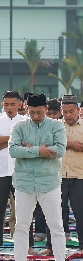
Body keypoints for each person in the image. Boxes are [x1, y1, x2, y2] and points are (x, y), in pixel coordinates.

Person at [9, 94, 67, 261]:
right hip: (24, 182)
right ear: (26, 110)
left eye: (39, 112)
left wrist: (28, 150)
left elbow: (60, 149)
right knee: (21, 225)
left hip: (49, 181)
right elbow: (12, 150)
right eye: (32, 112)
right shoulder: (19, 126)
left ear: (46, 110)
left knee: (55, 224)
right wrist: (40, 150)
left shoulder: (57, 125)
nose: (36, 116)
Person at [57, 95, 83, 255]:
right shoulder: (55, 126)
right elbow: (51, 146)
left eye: (71, 111)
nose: (68, 115)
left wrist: (68, 145)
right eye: (65, 112)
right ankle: (52, 246)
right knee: (55, 213)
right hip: (57, 175)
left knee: (81, 212)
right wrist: (72, 144)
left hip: (79, 175)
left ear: (78, 110)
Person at [0, 91, 26, 247]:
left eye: (12, 104)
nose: (9, 108)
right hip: (1, 171)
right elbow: (21, 142)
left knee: (23, 210)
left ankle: (25, 243)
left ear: (20, 105)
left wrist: (4, 142)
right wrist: (15, 140)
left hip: (21, 171)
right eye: (6, 104)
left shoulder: (25, 122)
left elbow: (29, 142)